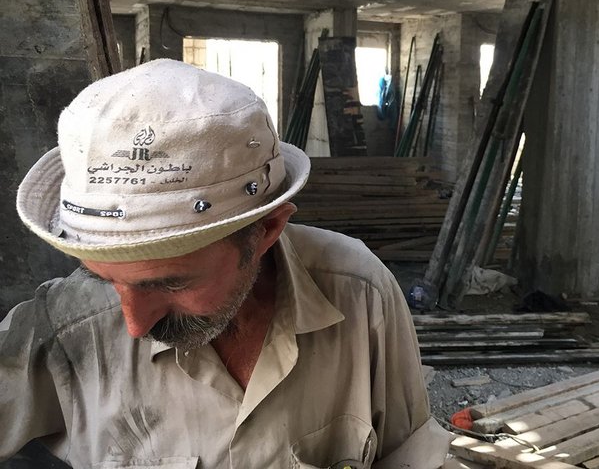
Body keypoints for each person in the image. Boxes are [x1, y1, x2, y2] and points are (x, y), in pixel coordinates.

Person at [0, 59, 452, 468]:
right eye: (104, 279)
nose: (134, 324)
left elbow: (407, 454)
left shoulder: (360, 291)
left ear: (267, 230)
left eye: (170, 283)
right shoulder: (65, 325)